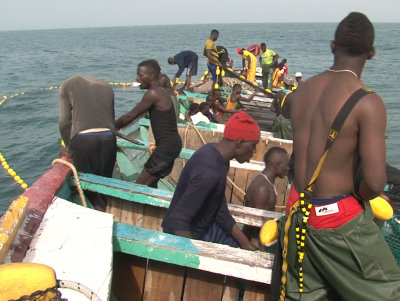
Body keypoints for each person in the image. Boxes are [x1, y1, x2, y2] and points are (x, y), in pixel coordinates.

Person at [280, 12, 400, 300]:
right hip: (338, 221)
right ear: (371, 53)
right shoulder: (368, 102)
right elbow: (373, 184)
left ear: (333, 46)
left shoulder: (302, 90)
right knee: (391, 291)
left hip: (298, 212)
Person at [162, 112, 260, 250]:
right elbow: (178, 222)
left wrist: (245, 242)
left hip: (206, 226)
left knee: (243, 247)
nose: (254, 151)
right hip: (188, 234)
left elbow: (219, 208)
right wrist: (193, 257)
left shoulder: (216, 153)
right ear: (239, 143)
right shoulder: (209, 172)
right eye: (253, 146)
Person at [115, 59, 182, 188]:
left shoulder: (153, 93)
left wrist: (111, 126)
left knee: (139, 187)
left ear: (151, 76)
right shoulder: (161, 92)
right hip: (171, 145)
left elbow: (129, 116)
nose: (137, 78)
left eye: (140, 75)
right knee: (151, 184)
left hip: (166, 147)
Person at [58, 75, 116, 211]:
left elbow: (64, 122)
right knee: (105, 183)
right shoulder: (106, 85)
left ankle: (99, 213)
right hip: (109, 137)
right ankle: (108, 208)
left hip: (83, 140)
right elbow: (111, 119)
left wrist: (68, 147)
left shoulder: (66, 85)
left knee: (90, 192)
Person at [243, 147, 289, 245]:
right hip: (253, 242)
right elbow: (258, 223)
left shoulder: (267, 184)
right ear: (277, 166)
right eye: (286, 165)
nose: (287, 168)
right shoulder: (262, 189)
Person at [270, 74, 295, 140]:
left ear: (283, 83)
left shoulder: (278, 93)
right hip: (288, 124)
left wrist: (279, 111)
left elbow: (271, 108)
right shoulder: (293, 96)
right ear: (293, 85)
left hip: (277, 122)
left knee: (277, 141)